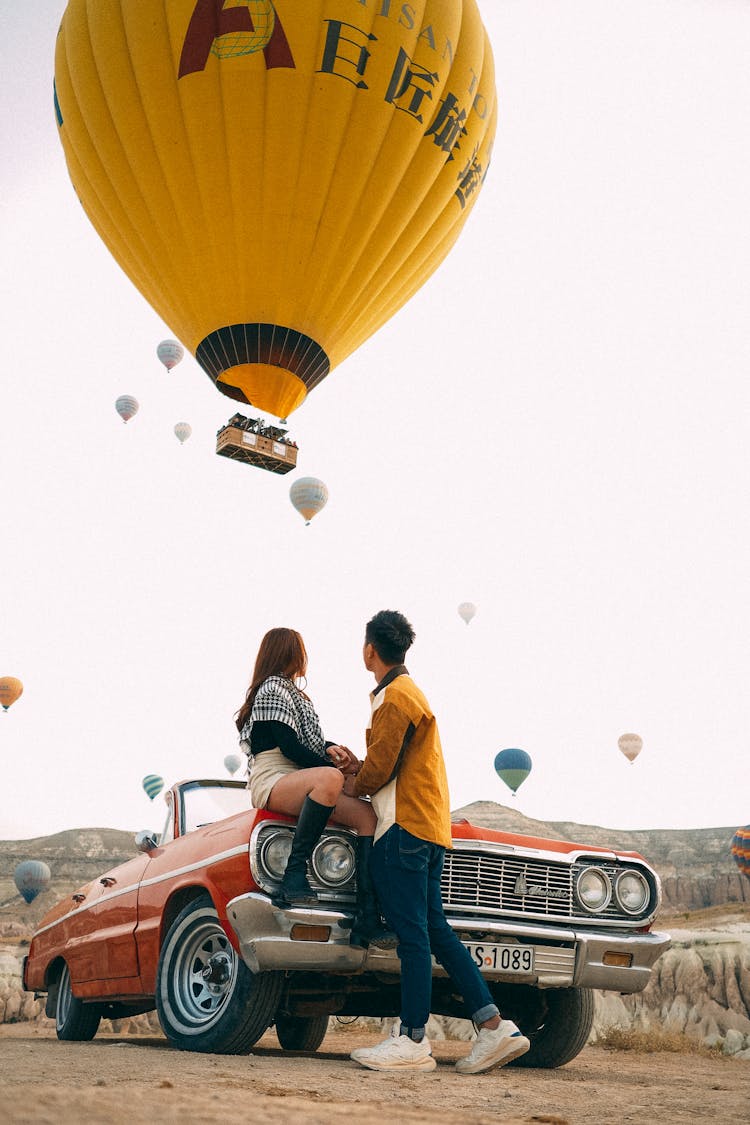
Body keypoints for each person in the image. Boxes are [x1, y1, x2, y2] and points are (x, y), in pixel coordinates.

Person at [346, 610, 531, 1074]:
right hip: (430, 827)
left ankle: (411, 1039)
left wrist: (350, 779)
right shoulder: (412, 695)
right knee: (435, 930)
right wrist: (362, 765)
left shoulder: (395, 698)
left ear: (370, 649)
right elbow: (389, 762)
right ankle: (493, 1027)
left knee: (413, 936)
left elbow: (380, 770)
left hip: (403, 827)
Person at [236, 627, 390, 947]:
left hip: (302, 777)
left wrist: (334, 750)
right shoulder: (271, 689)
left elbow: (311, 743)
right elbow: (290, 748)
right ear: (291, 653)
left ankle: (368, 915)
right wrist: (330, 764)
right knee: (332, 778)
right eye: (299, 651)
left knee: (367, 817)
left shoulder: (297, 696)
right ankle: (294, 876)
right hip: (274, 778)